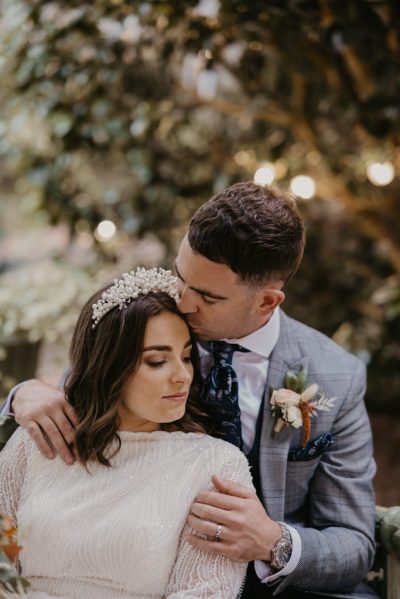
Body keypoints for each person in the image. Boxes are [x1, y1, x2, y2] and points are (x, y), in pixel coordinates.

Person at [1, 181, 378, 599]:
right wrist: (21, 396)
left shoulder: (335, 377)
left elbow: (354, 543)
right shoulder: (156, 316)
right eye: (182, 276)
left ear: (267, 302)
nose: (182, 301)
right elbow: (91, 387)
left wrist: (274, 542)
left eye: (208, 297)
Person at [0, 267, 253, 598]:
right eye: (157, 361)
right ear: (109, 367)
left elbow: (206, 591)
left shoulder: (215, 465)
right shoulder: (33, 443)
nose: (182, 376)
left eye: (186, 357)